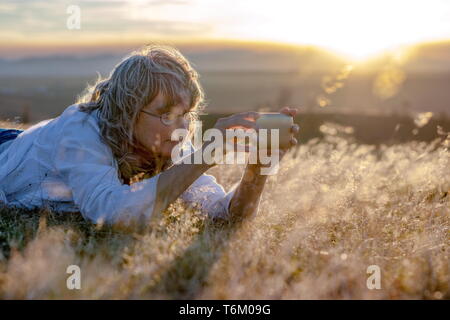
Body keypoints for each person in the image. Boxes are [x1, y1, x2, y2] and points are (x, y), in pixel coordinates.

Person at [0, 45, 299, 228]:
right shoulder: (81, 131)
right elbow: (112, 214)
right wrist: (204, 157)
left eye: (186, 114)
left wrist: (258, 170)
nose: (182, 129)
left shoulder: (172, 142)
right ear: (128, 112)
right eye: (166, 115)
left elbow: (224, 216)